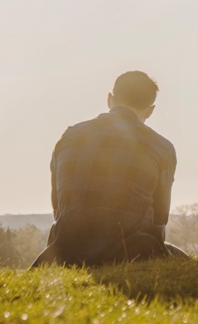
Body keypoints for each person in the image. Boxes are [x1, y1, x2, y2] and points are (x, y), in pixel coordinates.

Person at [32, 70, 187, 267]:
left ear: (110, 99)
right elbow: (158, 221)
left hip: (66, 252)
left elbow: (59, 207)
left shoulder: (69, 137)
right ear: (150, 110)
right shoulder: (161, 148)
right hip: (131, 252)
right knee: (184, 261)